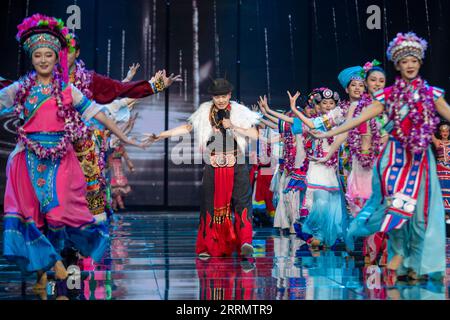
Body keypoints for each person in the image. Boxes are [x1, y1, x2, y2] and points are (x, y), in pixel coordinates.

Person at [0, 13, 147, 290]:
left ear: (57, 58)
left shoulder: (67, 91)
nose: (43, 60)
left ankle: (49, 269)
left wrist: (126, 137)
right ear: (32, 59)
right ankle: (48, 273)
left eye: (48, 55)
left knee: (57, 217)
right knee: (32, 219)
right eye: (38, 56)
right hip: (27, 159)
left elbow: (99, 115)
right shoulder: (21, 89)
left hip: (59, 159)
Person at [313, 32, 449, 282]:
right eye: (404, 61)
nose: (409, 65)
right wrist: (329, 132)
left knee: (421, 214)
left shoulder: (432, 94)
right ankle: (400, 257)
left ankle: (415, 261)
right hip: (395, 160)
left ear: (419, 63)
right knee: (397, 208)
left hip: (421, 161)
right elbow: (357, 120)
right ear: (398, 65)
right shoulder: (388, 96)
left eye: (413, 61)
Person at [146, 78, 260, 257]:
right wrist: (161, 135)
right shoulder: (204, 111)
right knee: (210, 204)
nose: (221, 100)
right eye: (217, 97)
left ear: (229, 95)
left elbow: (254, 133)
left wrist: (234, 126)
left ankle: (245, 242)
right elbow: (187, 127)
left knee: (242, 203)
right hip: (213, 165)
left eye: (223, 96)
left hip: (237, 163)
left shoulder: (239, 112)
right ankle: (210, 244)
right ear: (212, 97)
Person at [432, 123, 450, 227]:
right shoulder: (438, 142)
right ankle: (442, 214)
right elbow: (429, 134)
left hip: (449, 170)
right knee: (441, 190)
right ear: (440, 132)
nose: (445, 133)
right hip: (440, 171)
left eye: (447, 131)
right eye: (443, 131)